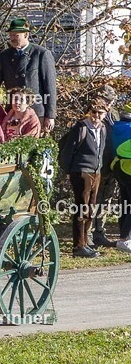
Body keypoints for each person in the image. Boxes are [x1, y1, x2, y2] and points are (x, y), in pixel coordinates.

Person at [60, 99, 109, 258]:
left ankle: (85, 241)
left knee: (91, 207)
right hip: (81, 171)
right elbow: (68, 151)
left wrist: (99, 168)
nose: (96, 116)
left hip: (96, 171)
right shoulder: (80, 128)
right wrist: (68, 170)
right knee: (81, 207)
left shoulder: (102, 128)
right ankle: (78, 246)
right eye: (93, 112)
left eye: (100, 113)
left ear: (105, 114)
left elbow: (100, 150)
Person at [0, 17, 57, 132]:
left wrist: (50, 115)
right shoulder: (4, 56)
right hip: (13, 111)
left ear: (26, 35)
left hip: (36, 112)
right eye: (11, 35)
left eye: (16, 35)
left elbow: (50, 87)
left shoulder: (41, 54)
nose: (12, 38)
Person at [91, 85, 120, 249]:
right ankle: (86, 234)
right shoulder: (92, 114)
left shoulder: (114, 114)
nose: (107, 103)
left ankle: (99, 233)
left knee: (105, 200)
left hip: (111, 162)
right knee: (91, 199)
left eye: (108, 100)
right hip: (95, 164)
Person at [106, 103, 131, 253]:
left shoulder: (116, 127)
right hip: (128, 168)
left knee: (125, 202)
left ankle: (124, 235)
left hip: (118, 167)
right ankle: (125, 239)